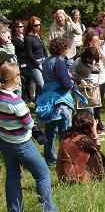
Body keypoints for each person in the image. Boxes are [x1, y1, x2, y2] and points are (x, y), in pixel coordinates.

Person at [0, 62, 57, 212]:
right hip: (22, 144)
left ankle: (14, 209)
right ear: (14, 78)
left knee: (12, 176)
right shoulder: (16, 102)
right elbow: (28, 123)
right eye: (18, 74)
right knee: (43, 174)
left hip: (5, 142)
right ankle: (49, 209)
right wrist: (39, 133)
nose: (20, 77)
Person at [36, 38, 76, 166]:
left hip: (48, 98)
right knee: (64, 129)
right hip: (60, 98)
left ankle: (50, 158)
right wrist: (71, 83)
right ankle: (65, 157)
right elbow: (65, 83)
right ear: (62, 49)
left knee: (50, 129)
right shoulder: (59, 62)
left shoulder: (46, 61)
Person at [56, 111, 105, 184]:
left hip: (62, 178)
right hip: (76, 179)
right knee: (96, 154)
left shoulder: (68, 137)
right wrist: (94, 132)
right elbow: (98, 148)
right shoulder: (83, 140)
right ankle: (98, 177)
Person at [71, 47, 103, 128]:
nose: (92, 59)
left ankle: (90, 130)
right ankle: (81, 130)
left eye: (94, 58)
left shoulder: (95, 60)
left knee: (91, 111)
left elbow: (98, 72)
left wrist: (98, 68)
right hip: (81, 89)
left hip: (92, 88)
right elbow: (70, 73)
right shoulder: (78, 61)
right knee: (83, 111)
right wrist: (79, 80)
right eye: (91, 58)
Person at [82, 29, 105, 132]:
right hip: (92, 81)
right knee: (94, 103)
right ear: (89, 41)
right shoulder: (86, 52)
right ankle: (93, 124)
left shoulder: (98, 50)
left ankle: (98, 121)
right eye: (95, 41)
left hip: (101, 78)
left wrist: (99, 49)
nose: (97, 42)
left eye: (98, 40)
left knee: (99, 102)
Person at [24, 16, 48, 101]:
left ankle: (40, 103)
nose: (38, 26)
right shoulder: (28, 38)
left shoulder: (38, 36)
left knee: (44, 85)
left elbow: (44, 49)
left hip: (43, 61)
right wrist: (38, 65)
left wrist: (47, 59)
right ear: (31, 26)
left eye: (39, 24)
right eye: (35, 25)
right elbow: (29, 55)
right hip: (34, 65)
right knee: (42, 84)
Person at [12, 20, 30, 102]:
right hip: (21, 62)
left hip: (29, 62)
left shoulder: (26, 37)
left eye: (21, 26)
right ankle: (24, 99)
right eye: (18, 27)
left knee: (29, 80)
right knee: (23, 81)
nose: (20, 28)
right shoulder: (14, 40)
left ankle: (30, 98)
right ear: (15, 28)